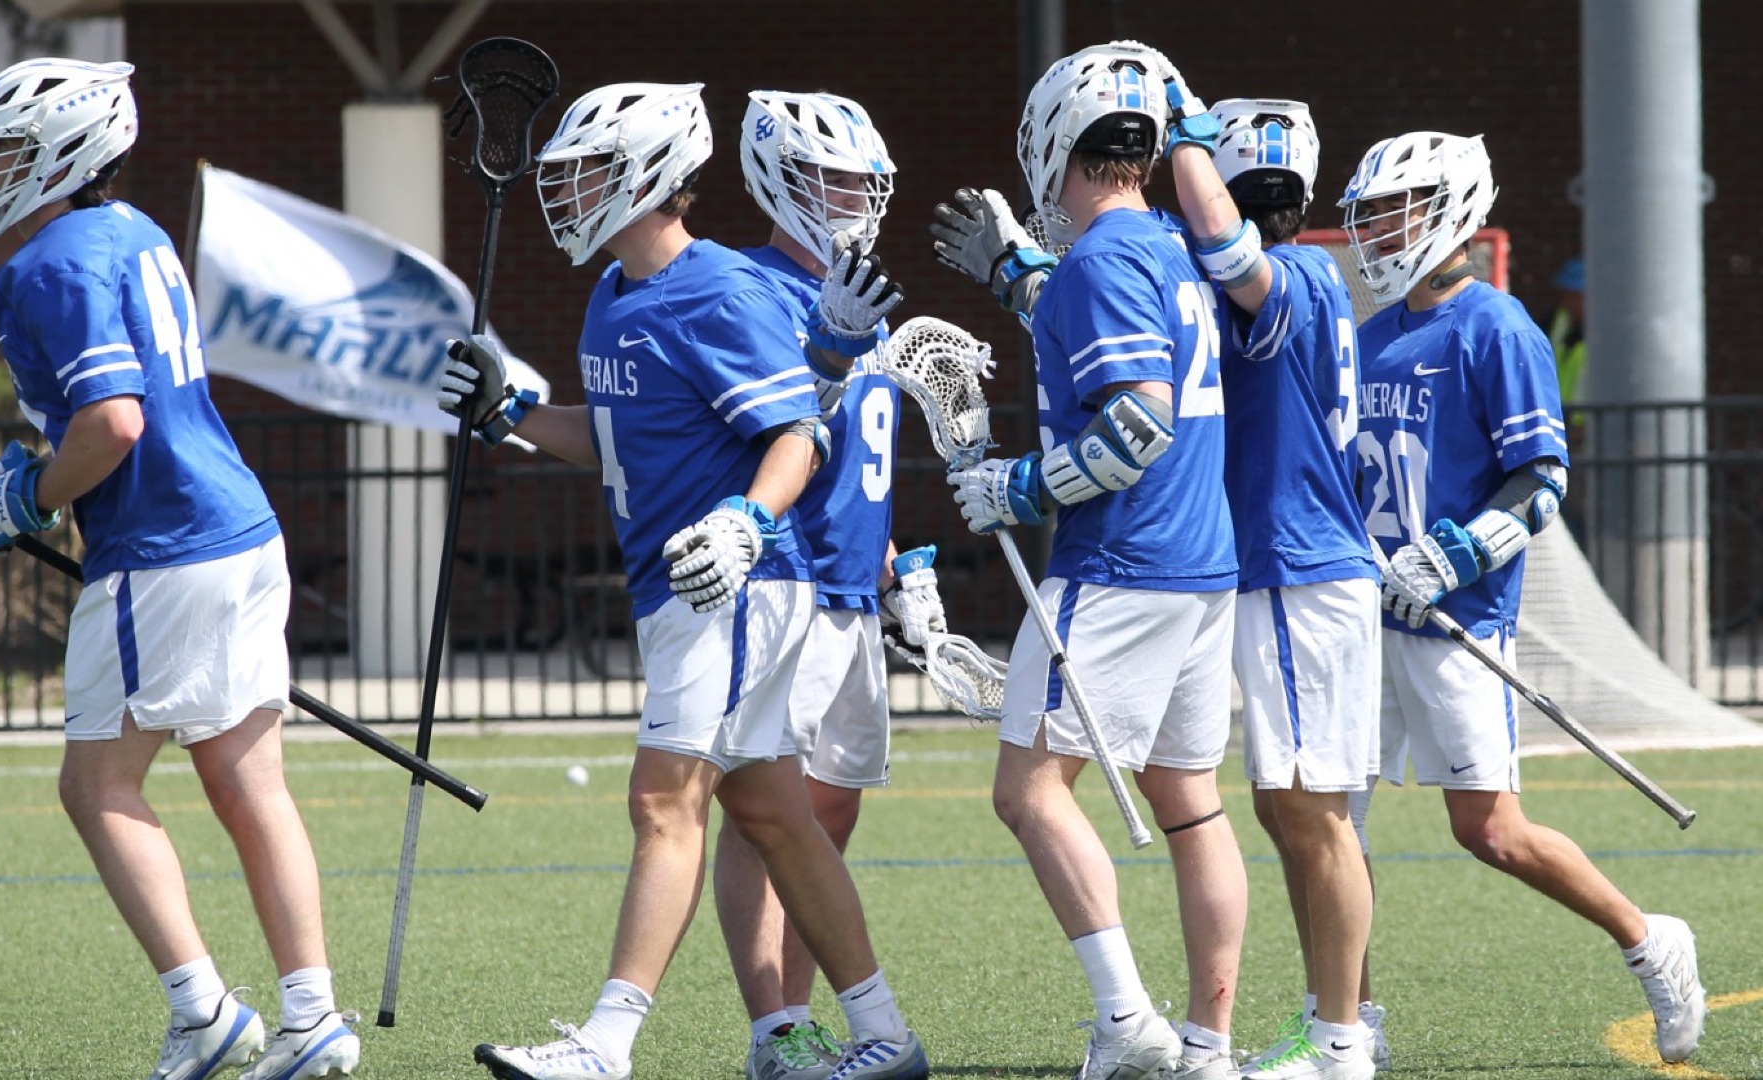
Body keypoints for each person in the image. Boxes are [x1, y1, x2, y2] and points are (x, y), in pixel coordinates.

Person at [440, 81, 928, 1080]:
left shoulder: (714, 290)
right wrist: (512, 413)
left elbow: (797, 429)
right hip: (683, 590)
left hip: (736, 587)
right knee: (774, 816)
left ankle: (605, 1044)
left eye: (590, 173)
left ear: (654, 178)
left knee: (664, 802)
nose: (567, 192)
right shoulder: (614, 292)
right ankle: (884, 1038)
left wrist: (748, 521)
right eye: (566, 173)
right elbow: (617, 437)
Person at [0, 58, 359, 1080]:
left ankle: (203, 1009)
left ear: (65, 154)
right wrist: (30, 484)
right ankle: (312, 1020)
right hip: (243, 529)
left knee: (97, 785)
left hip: (162, 550)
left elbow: (114, 421)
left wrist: (21, 498)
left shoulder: (47, 262)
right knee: (249, 779)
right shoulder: (138, 233)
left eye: (8, 150)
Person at [1339, 130, 1705, 1066]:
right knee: (1330, 825)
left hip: (1454, 621)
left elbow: (1539, 481)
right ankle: (1350, 1026)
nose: (1376, 228)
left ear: (1449, 208)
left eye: (1394, 208)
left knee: (1489, 831)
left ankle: (1647, 937)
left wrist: (1448, 559)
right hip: (1362, 620)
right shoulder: (1367, 334)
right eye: (1370, 210)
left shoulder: (1495, 327)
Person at [931, 41, 1243, 1080]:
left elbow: (1135, 424)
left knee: (1027, 793)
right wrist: (1018, 276)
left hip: (1122, 563)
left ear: (1051, 140)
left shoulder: (1104, 261)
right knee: (1192, 806)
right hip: (1202, 566)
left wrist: (1019, 487)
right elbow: (1091, 326)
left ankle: (1126, 1022)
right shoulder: (1163, 246)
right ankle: (1206, 1045)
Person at [717, 89, 948, 1080]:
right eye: (832, 178)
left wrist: (897, 569)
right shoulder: (744, 289)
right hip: (782, 583)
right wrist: (822, 354)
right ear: (779, 176)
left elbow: (861, 460)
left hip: (851, 590)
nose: (853, 198)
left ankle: (804, 1019)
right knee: (766, 808)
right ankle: (775, 1028)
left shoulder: (865, 293)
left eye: (863, 181)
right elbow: (766, 437)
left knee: (831, 811)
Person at [1158, 79, 1382, 1080]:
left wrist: (1179, 141)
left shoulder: (1289, 277)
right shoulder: (1291, 279)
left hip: (1297, 569)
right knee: (1285, 804)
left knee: (1311, 808)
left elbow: (1219, 244)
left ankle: (1340, 1037)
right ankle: (1329, 1020)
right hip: (1277, 571)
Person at [1545, 257, 1587, 408]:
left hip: (1589, 420)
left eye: (1577, 295)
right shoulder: (1556, 323)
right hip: (1558, 416)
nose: (1570, 301)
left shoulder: (1604, 332)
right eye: (1568, 295)